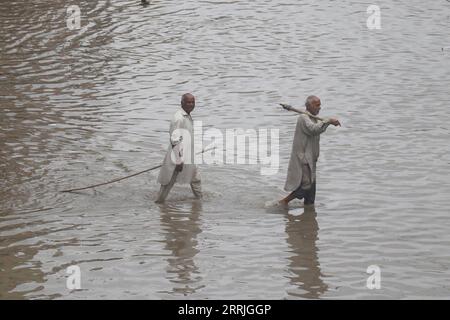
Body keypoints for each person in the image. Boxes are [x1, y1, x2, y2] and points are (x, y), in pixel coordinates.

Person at [279, 95, 340, 206]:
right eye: (317, 105)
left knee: (311, 192)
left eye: (320, 105)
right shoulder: (303, 118)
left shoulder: (313, 118)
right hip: (304, 159)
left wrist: (327, 122)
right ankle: (284, 202)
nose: (319, 107)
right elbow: (313, 130)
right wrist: (328, 121)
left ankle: (309, 215)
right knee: (306, 186)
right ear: (309, 106)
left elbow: (318, 129)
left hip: (311, 159)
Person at [155, 93, 202, 203]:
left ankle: (199, 202)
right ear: (182, 103)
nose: (191, 104)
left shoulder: (187, 115)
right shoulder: (178, 118)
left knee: (196, 178)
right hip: (178, 156)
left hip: (188, 155)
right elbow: (175, 139)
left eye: (192, 102)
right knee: (168, 182)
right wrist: (178, 160)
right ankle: (159, 203)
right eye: (188, 102)